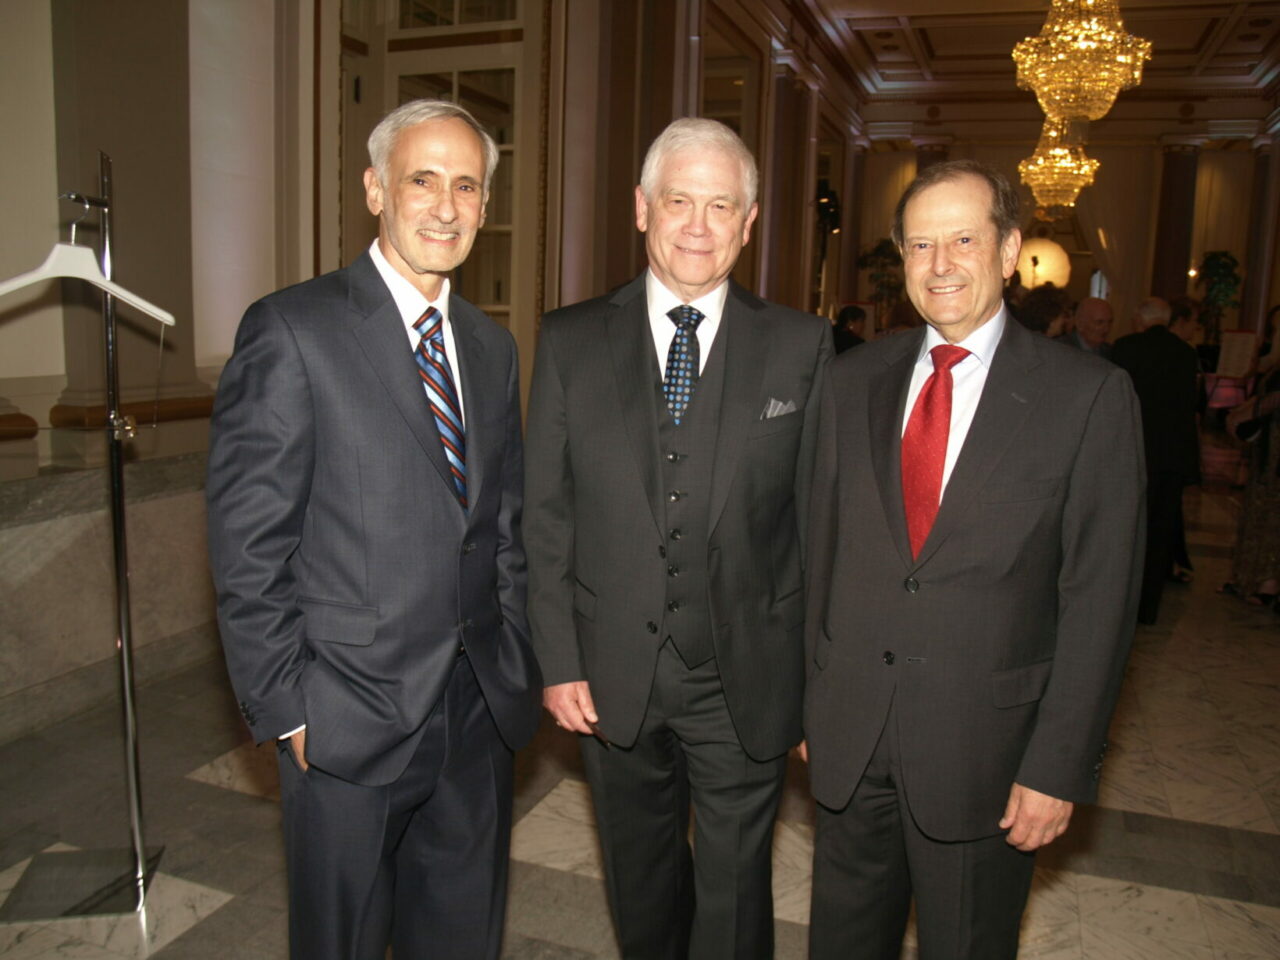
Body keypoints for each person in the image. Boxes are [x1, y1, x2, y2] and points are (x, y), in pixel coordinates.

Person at [206, 99, 541, 960]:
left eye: (466, 185)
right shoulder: (294, 330)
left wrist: (514, 660)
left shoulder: (491, 348)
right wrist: (291, 710)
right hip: (347, 720)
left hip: (475, 719)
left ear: (485, 205)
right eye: (421, 179)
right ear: (374, 191)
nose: (444, 205)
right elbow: (250, 546)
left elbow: (501, 524)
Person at [803, 160, 1144, 960]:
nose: (941, 264)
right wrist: (812, 700)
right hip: (853, 743)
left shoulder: (1086, 397)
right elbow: (818, 551)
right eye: (921, 245)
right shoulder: (851, 382)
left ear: (1008, 250)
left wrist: (1057, 766)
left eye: (963, 239)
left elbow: (1099, 602)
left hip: (988, 755)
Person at [524, 117, 830, 959]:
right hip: (608, 670)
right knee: (640, 874)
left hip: (747, 672)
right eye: (680, 201)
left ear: (750, 220)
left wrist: (818, 680)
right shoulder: (571, 339)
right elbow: (544, 515)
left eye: (721, 205)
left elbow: (819, 525)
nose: (699, 226)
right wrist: (557, 658)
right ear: (641, 209)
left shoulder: (802, 347)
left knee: (735, 887)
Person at [1111, 297, 1201, 624]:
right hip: (1172, 457)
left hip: (1136, 454)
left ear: (1139, 319)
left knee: (1128, 530)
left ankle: (1124, 606)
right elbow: (1191, 406)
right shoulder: (1186, 353)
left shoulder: (1125, 347)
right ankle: (1149, 608)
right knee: (1160, 533)